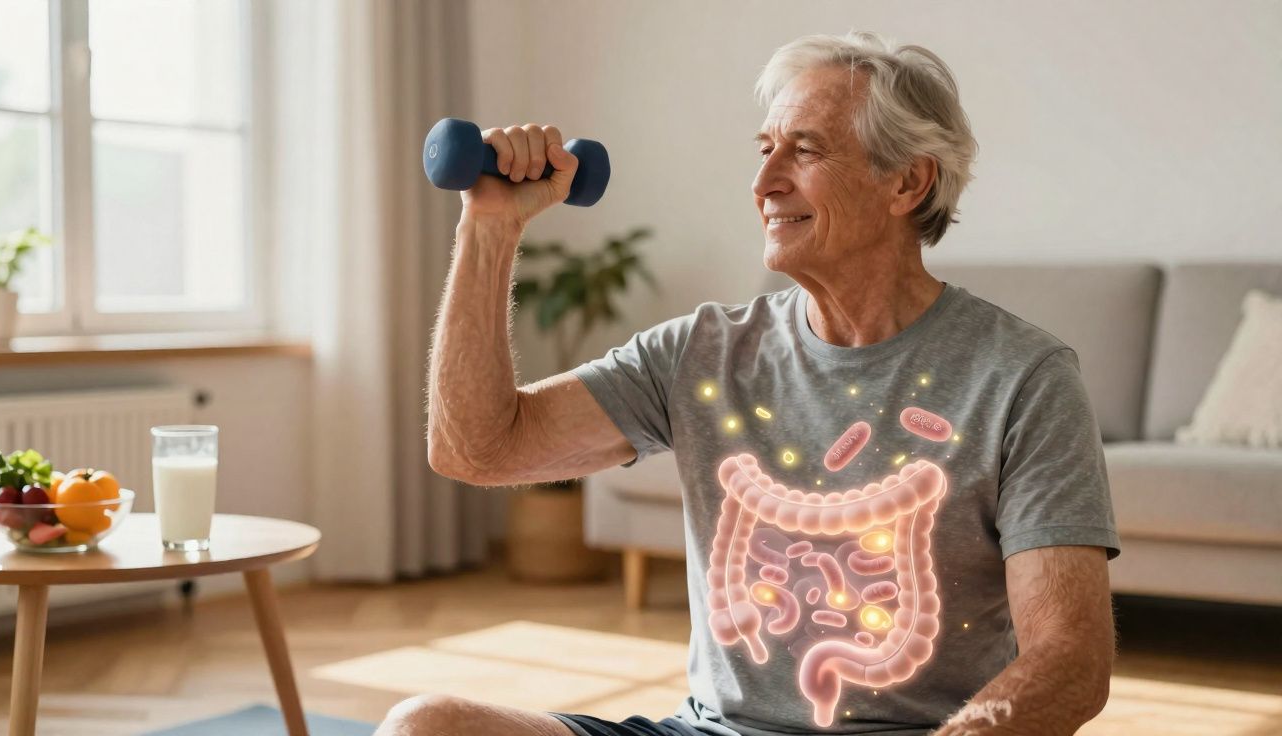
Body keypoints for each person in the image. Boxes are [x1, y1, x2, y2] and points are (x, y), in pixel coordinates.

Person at [386, 30, 1119, 736]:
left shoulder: (1023, 377)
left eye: (805, 151)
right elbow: (477, 450)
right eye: (767, 149)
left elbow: (1070, 660)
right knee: (425, 727)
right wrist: (490, 225)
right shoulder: (702, 352)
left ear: (907, 181)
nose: (764, 182)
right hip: (709, 732)